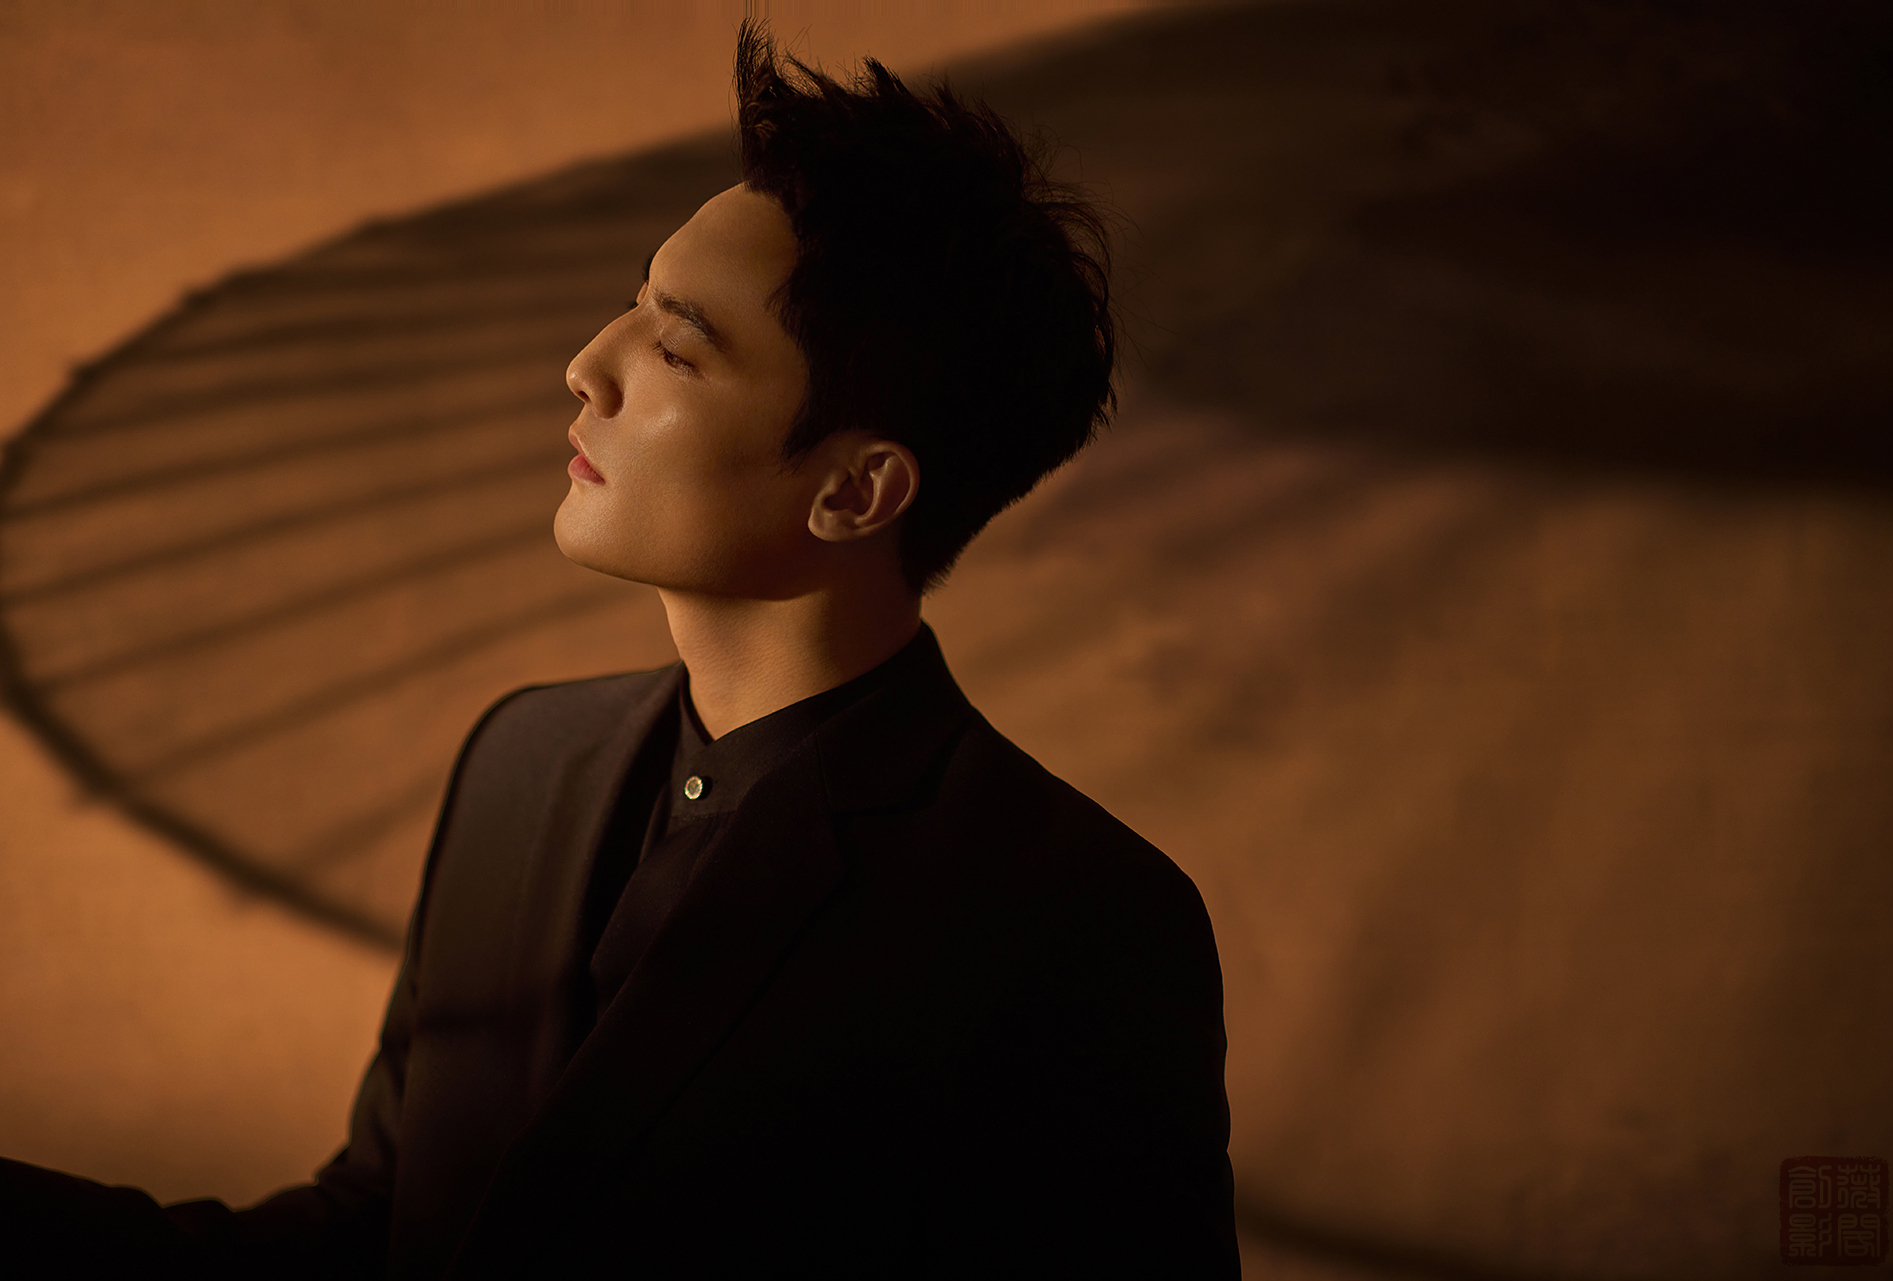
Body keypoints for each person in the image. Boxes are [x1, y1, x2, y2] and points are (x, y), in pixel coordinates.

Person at [0, 23, 1236, 1278]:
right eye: (634, 306)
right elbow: (383, 1232)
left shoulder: (1068, 920)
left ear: (856, 492)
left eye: (678, 349)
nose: (588, 368)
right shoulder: (523, 759)